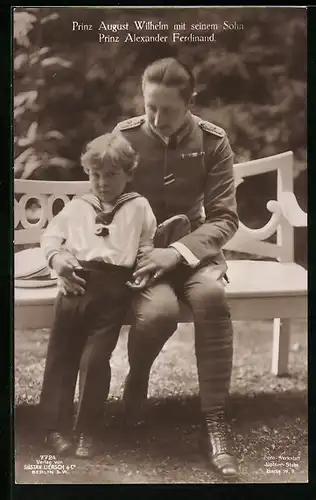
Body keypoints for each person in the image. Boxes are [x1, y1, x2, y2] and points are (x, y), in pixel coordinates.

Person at [112, 57, 240, 479]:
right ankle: (138, 378)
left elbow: (224, 217)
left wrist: (180, 252)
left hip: (193, 253)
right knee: (160, 313)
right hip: (143, 254)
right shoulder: (125, 138)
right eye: (150, 106)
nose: (155, 117)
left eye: (167, 109)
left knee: (212, 297)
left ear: (191, 102)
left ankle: (214, 423)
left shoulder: (212, 141)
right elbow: (107, 204)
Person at [39, 131, 157, 458]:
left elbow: (146, 244)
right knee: (62, 355)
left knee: (95, 360)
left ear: (128, 174)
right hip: (75, 284)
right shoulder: (78, 206)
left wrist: (145, 265)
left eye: (111, 175)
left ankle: (87, 430)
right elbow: (51, 238)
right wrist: (57, 260)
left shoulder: (138, 207)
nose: (102, 182)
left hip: (113, 290)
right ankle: (55, 428)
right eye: (95, 175)